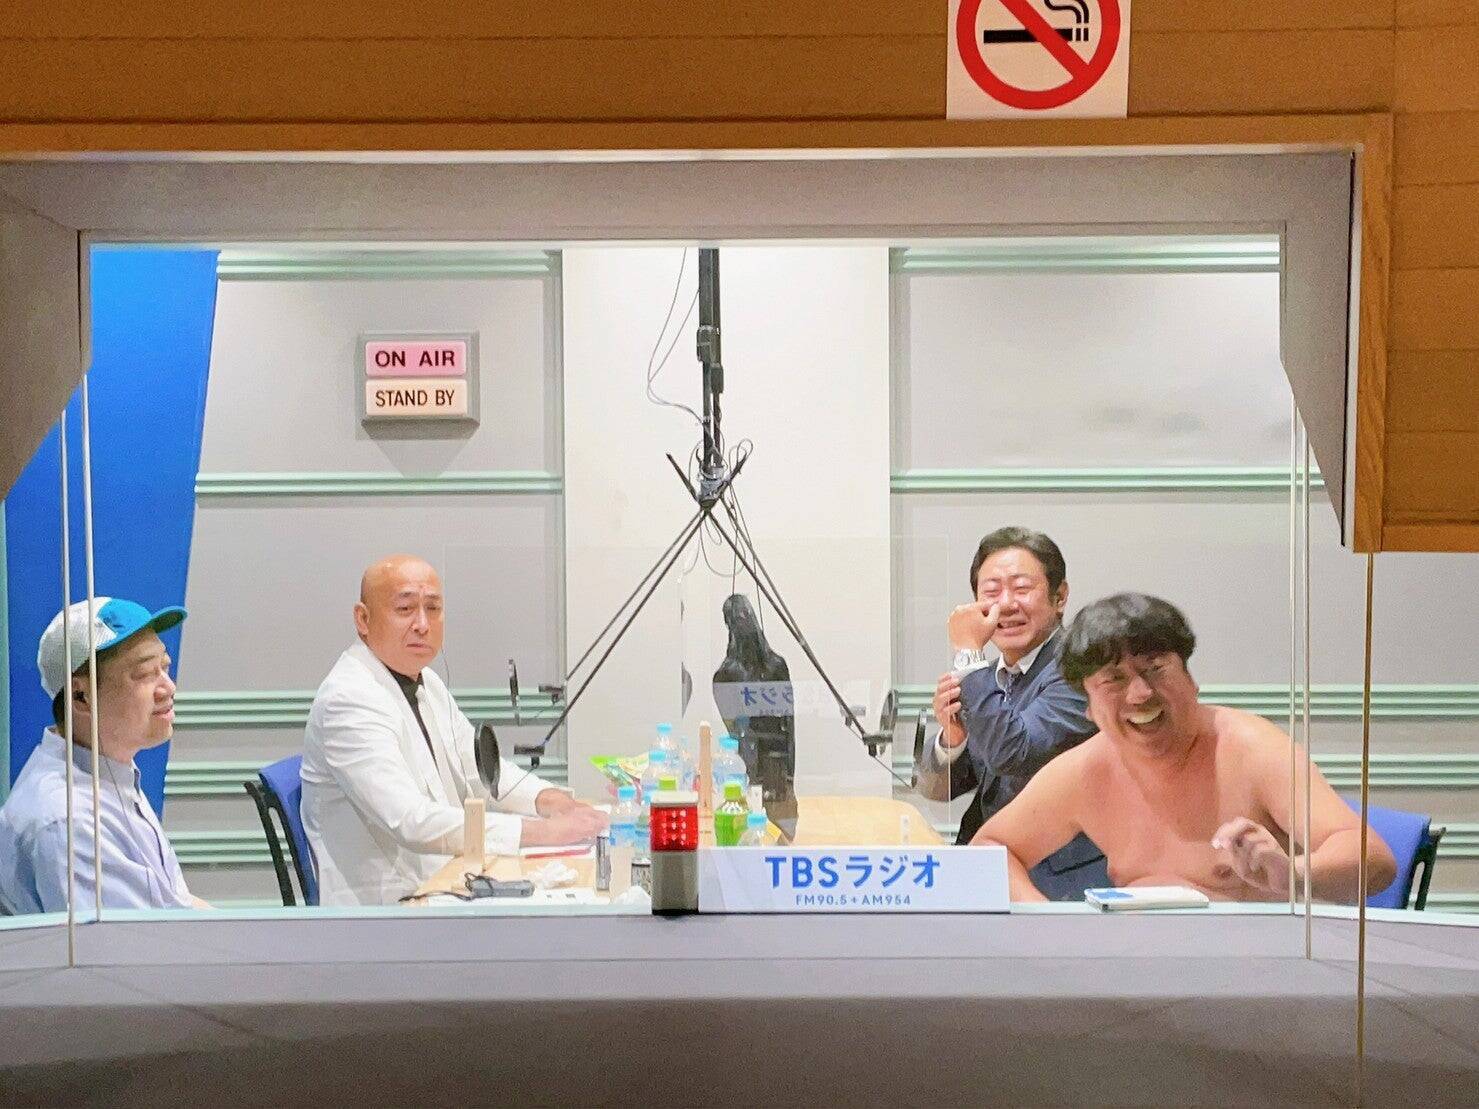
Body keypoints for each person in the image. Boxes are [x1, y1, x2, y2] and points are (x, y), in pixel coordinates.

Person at [971, 593, 1397, 904]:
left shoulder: (1250, 749)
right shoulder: (1086, 770)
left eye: (1156, 669)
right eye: (1114, 680)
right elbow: (991, 848)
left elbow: (1374, 859)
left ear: (1191, 680)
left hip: (1254, 975)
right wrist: (1047, 925)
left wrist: (1293, 874)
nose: (1140, 694)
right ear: (1089, 707)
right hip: (1140, 972)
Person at [303, 554, 607, 905]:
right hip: (388, 908)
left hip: (443, 880)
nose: (422, 624)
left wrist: (550, 800)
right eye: (405, 609)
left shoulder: (427, 682)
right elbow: (410, 820)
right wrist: (541, 832)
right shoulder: (348, 700)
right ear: (363, 619)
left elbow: (480, 772)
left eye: (433, 609)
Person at [914, 527, 1108, 899]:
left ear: (1060, 597)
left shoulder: (1082, 669)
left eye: (1021, 589)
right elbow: (934, 789)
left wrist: (968, 654)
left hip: (1059, 880)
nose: (1005, 604)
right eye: (991, 592)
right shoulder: (987, 677)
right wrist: (952, 738)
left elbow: (1013, 752)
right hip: (989, 865)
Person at [0, 598, 205, 914]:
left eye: (164, 667)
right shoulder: (72, 821)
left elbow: (174, 903)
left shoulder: (110, 771)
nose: (168, 688)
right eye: (144, 674)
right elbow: (132, 944)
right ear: (80, 696)